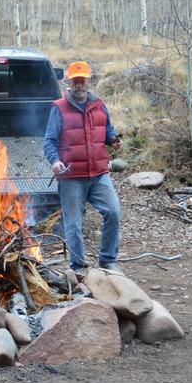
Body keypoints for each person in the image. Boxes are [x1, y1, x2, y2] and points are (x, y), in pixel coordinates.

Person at [43, 61, 123, 274]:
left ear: (89, 81)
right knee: (73, 224)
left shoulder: (100, 105)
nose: (79, 84)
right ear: (69, 82)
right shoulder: (59, 108)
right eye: (75, 81)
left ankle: (108, 260)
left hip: (99, 174)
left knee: (113, 212)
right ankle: (78, 267)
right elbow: (49, 141)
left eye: (83, 80)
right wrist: (55, 161)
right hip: (71, 177)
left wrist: (113, 140)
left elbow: (108, 131)